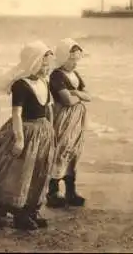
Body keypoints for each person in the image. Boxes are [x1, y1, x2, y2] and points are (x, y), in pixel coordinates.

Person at [0, 41, 55, 230]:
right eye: (44, 64)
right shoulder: (21, 85)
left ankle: (32, 210)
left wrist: (51, 129)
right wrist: (19, 138)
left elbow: (48, 108)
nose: (47, 68)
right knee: (22, 172)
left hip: (43, 131)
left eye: (48, 65)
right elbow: (16, 114)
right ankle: (19, 213)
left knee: (40, 171)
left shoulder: (44, 82)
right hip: (26, 130)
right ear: (33, 62)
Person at [46, 38, 91, 208]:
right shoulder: (57, 75)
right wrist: (77, 95)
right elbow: (66, 100)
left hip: (77, 119)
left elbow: (88, 96)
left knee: (74, 151)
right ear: (63, 57)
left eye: (77, 59)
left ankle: (71, 191)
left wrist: (75, 93)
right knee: (61, 149)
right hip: (63, 116)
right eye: (71, 59)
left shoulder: (75, 75)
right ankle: (53, 191)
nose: (74, 63)